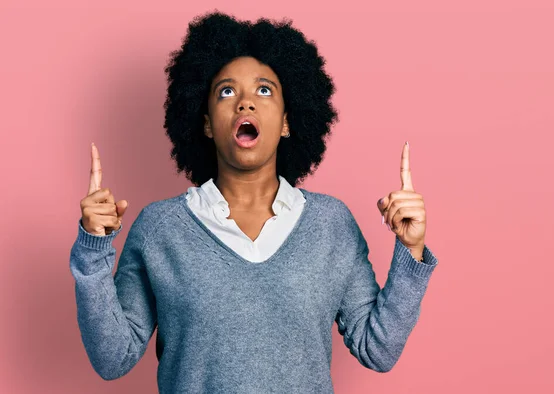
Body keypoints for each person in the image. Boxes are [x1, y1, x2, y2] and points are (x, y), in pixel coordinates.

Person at [70, 11, 439, 393]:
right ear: (208, 123)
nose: (245, 103)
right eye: (226, 92)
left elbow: (377, 349)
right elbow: (112, 358)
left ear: (285, 121)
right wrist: (92, 249)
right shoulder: (159, 229)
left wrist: (411, 251)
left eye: (264, 90)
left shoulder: (331, 224)